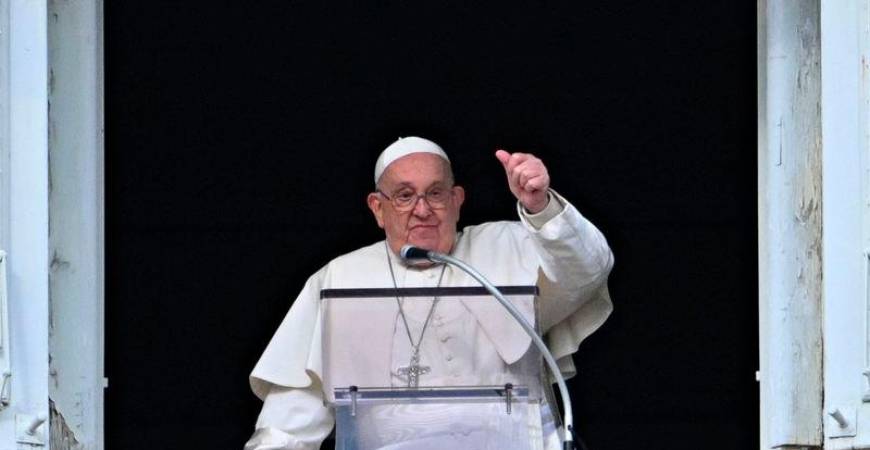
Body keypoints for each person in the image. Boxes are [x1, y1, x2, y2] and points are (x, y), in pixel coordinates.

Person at [245, 136, 614, 450]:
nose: (422, 210)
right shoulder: (340, 278)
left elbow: (588, 270)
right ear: (378, 208)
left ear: (457, 200)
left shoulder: (509, 245)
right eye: (404, 196)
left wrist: (541, 206)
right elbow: (296, 405)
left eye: (435, 194)